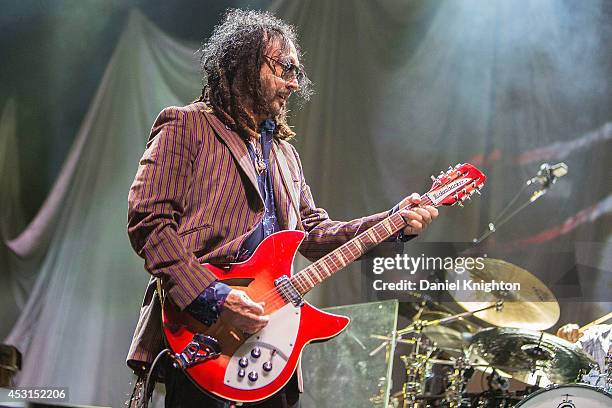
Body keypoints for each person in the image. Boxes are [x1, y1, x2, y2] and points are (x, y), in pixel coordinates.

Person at [125, 9, 439, 408]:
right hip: (202, 334)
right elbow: (149, 222)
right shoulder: (186, 126)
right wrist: (214, 297)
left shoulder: (285, 155)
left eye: (298, 72)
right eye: (284, 68)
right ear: (241, 65)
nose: (294, 83)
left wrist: (394, 222)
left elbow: (314, 234)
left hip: (271, 350)